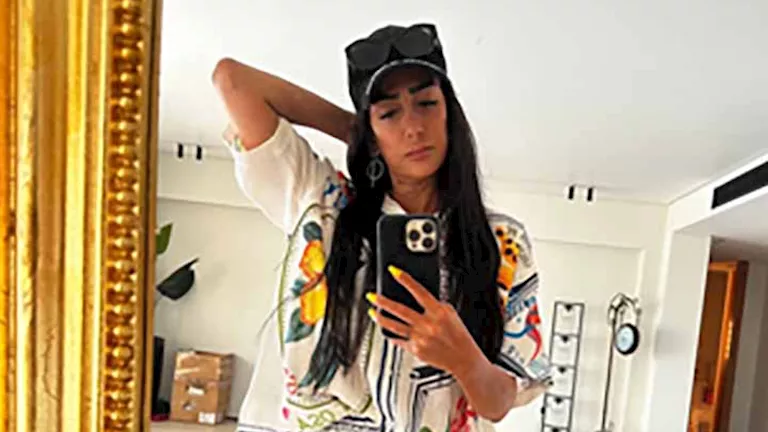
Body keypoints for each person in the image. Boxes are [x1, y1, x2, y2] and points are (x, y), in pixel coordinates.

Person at [213, 23, 552, 432]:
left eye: (427, 103)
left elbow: (499, 403)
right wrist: (357, 132)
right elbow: (233, 81)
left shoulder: (501, 243)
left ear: (450, 115)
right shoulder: (325, 206)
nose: (413, 127)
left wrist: (464, 359)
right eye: (389, 113)